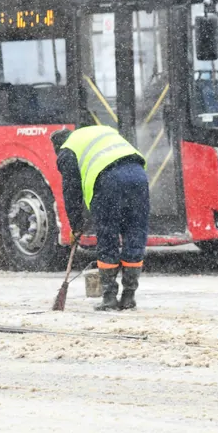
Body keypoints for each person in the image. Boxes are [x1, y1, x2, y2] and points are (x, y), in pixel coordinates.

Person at [50, 126, 149, 311]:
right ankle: (129, 296)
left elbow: (72, 193)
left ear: (58, 147)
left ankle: (109, 297)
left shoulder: (67, 150)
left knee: (108, 236)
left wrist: (76, 226)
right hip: (138, 176)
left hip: (109, 180)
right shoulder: (97, 132)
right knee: (135, 233)